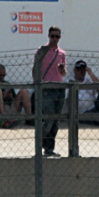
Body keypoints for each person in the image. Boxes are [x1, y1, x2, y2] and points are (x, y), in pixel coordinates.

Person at [38, 26, 67, 157]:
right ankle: (40, 143)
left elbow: (64, 73)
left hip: (59, 88)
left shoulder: (62, 53)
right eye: (53, 36)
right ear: (48, 36)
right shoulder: (42, 51)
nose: (55, 39)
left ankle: (49, 148)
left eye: (57, 36)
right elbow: (35, 67)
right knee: (49, 119)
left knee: (56, 121)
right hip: (47, 89)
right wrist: (37, 83)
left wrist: (62, 69)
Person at [67, 60, 99, 128]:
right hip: (82, 113)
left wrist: (91, 74)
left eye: (83, 71)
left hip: (95, 108)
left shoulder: (89, 80)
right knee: (96, 119)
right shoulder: (69, 81)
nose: (81, 72)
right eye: (79, 70)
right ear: (75, 70)